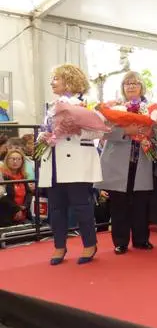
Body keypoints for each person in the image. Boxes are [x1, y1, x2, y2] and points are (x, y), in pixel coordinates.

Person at [39, 64, 103, 265]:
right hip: (54, 161)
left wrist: (77, 129)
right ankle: (59, 246)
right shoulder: (51, 105)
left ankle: (89, 244)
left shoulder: (88, 103)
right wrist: (43, 135)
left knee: (81, 206)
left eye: (56, 79)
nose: (52, 82)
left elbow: (99, 131)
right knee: (56, 208)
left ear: (69, 80)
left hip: (77, 161)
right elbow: (46, 127)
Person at [96, 71, 154, 254]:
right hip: (117, 161)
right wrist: (125, 131)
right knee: (118, 203)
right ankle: (120, 242)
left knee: (140, 202)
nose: (131, 86)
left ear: (141, 86)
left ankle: (141, 239)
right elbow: (102, 131)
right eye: (127, 83)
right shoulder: (115, 108)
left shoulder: (151, 108)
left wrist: (149, 132)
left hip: (142, 159)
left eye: (135, 83)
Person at [0, 147, 33, 226]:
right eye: (12, 159)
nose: (15, 162)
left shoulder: (23, 176)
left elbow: (29, 192)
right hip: (6, 214)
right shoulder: (2, 175)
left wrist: (24, 206)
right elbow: (3, 196)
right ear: (7, 160)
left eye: (19, 159)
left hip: (23, 213)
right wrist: (17, 209)